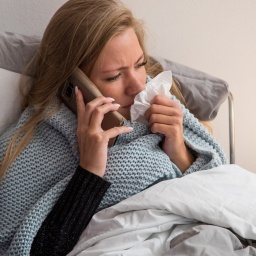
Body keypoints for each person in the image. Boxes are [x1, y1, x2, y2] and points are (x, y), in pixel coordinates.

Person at [0, 0, 226, 255]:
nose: (138, 86)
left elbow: (221, 190)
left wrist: (179, 151)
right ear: (74, 83)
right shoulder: (26, 148)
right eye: (114, 76)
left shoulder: (164, 104)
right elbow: (33, 249)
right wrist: (89, 173)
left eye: (140, 64)